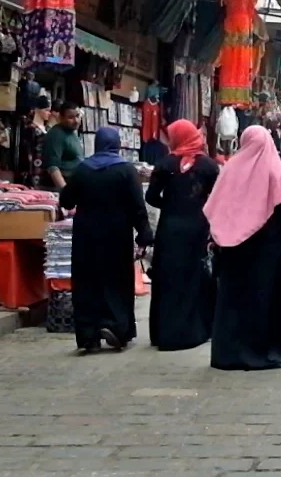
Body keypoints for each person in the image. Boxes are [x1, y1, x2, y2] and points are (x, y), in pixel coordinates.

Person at [205, 126, 281, 371]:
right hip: (267, 250)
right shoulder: (274, 168)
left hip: (233, 249)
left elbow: (215, 206)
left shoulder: (231, 168)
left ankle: (226, 354)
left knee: (232, 300)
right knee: (263, 299)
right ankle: (261, 353)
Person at [60, 126, 149, 353]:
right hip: (116, 235)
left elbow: (67, 201)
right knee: (117, 280)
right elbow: (138, 206)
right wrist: (144, 234)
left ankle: (88, 333)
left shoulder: (83, 169)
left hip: (86, 236)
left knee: (87, 281)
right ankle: (117, 327)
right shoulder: (126, 170)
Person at [145, 119, 219, 351]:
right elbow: (217, 198)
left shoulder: (165, 164)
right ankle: (197, 329)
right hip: (198, 227)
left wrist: (171, 204)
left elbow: (151, 197)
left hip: (170, 229)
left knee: (168, 279)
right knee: (195, 278)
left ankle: (165, 333)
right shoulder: (209, 166)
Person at [40, 104, 84, 191]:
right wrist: (65, 192)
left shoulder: (72, 132)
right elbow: (53, 168)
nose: (76, 120)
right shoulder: (56, 134)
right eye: (70, 117)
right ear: (61, 118)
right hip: (57, 188)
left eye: (78, 116)